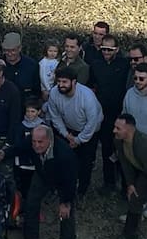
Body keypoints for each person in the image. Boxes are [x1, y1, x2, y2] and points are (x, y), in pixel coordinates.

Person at [18, 125, 79, 239]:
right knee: (31, 203)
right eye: (34, 142)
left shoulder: (65, 154)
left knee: (66, 214)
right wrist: (4, 153)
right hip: (42, 174)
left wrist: (65, 202)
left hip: (63, 180)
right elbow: (18, 148)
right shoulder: (32, 141)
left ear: (49, 140)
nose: (36, 145)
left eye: (40, 142)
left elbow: (70, 181)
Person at [42, 66, 103, 200]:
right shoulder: (54, 93)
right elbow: (55, 116)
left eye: (64, 82)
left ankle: (81, 191)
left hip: (89, 131)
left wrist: (78, 140)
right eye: (59, 81)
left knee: (85, 163)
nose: (61, 85)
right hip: (68, 129)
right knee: (64, 159)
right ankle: (62, 186)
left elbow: (92, 123)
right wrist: (66, 135)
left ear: (74, 82)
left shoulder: (87, 96)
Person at [91, 35, 129, 194]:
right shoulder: (95, 64)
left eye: (109, 49)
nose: (106, 52)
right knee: (106, 149)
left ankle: (126, 185)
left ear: (117, 49)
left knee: (123, 150)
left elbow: (142, 66)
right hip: (103, 115)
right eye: (104, 49)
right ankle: (109, 183)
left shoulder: (125, 64)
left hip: (120, 114)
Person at [12, 98, 45, 198]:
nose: (29, 114)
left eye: (32, 111)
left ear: (38, 112)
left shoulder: (43, 126)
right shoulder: (20, 126)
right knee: (22, 188)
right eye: (28, 111)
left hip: (37, 164)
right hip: (22, 163)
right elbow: (18, 145)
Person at [0, 32, 40, 102]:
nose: (10, 54)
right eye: (7, 50)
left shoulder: (32, 65)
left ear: (20, 48)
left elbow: (36, 91)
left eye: (13, 50)